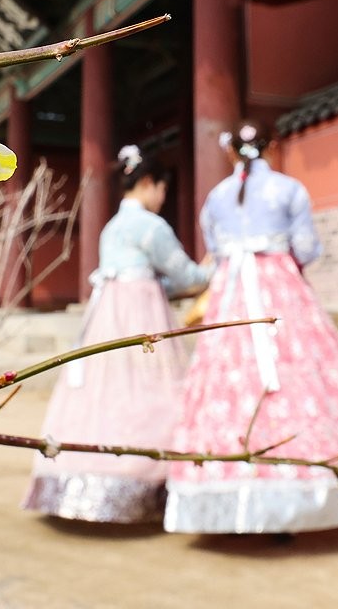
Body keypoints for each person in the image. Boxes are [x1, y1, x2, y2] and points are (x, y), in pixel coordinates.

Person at [165, 121, 338, 535]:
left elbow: (215, 249)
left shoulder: (215, 197)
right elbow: (306, 247)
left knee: (228, 379)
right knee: (297, 374)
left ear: (230, 152)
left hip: (232, 293)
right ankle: (301, 487)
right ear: (272, 146)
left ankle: (231, 494)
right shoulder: (290, 189)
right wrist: (286, 262)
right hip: (280, 287)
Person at [23, 145, 211, 523]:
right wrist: (215, 267)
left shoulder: (112, 227)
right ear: (147, 183)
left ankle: (82, 483)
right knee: (149, 386)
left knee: (105, 389)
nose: (162, 197)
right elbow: (187, 277)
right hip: (140, 314)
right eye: (161, 188)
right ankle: (150, 482)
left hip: (108, 313)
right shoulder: (150, 226)